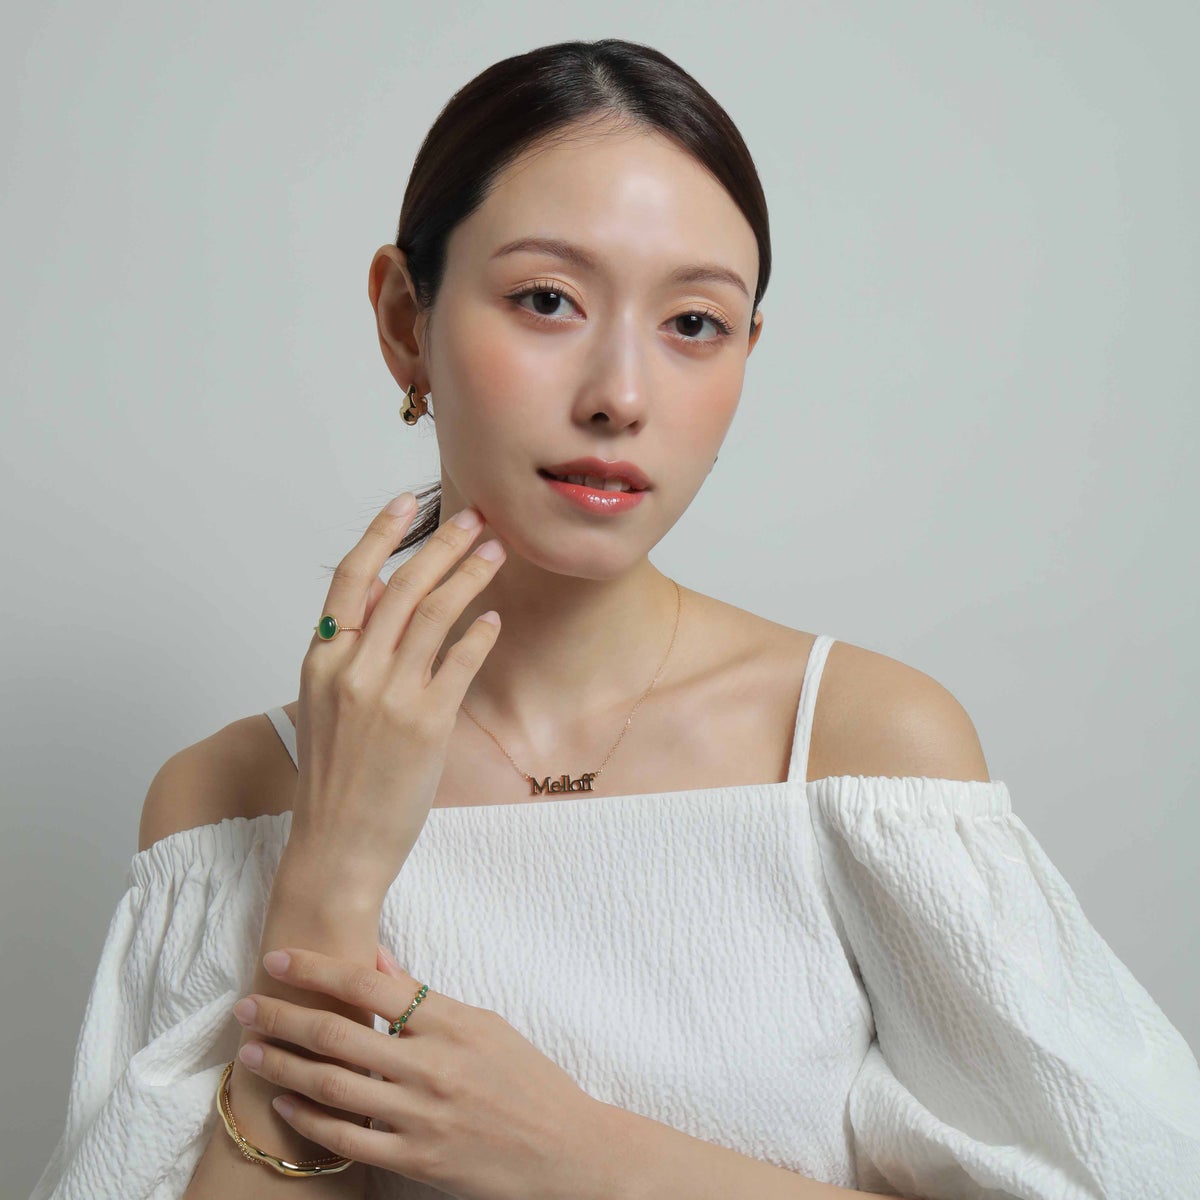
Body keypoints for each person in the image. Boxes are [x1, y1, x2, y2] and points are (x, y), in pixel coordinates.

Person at [31, 37, 1200, 1200]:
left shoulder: (860, 748)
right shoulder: (225, 801)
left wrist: (577, 1152)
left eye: (694, 324)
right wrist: (332, 869)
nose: (621, 397)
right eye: (547, 301)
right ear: (403, 320)